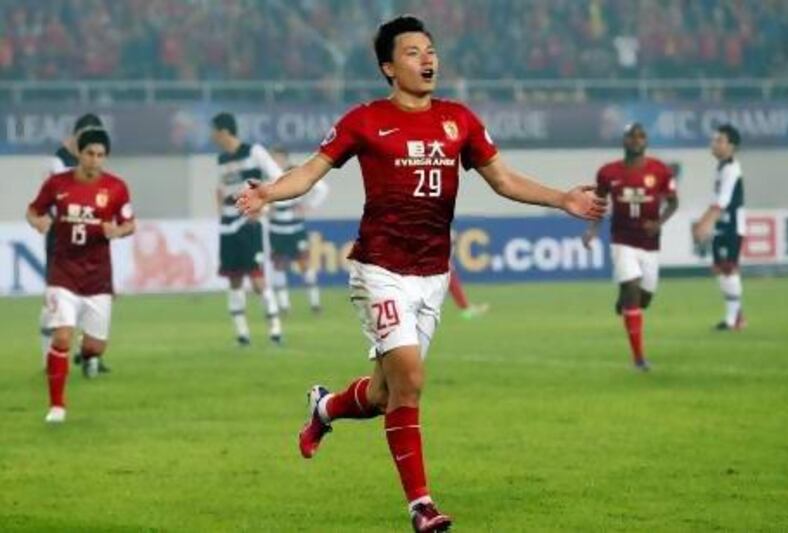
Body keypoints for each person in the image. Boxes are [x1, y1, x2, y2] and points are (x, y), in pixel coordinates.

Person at [237, 16, 605, 532]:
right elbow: (311, 170)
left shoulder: (459, 120)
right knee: (411, 380)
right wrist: (269, 192)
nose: (427, 59)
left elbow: (502, 178)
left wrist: (562, 198)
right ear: (389, 67)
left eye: (430, 50)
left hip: (432, 274)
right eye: (412, 52)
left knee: (388, 394)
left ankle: (325, 409)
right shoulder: (365, 120)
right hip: (379, 268)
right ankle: (421, 506)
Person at [26, 128, 135, 423]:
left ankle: (87, 357)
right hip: (63, 272)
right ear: (79, 154)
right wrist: (39, 221)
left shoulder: (116, 188)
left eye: (100, 155)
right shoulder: (57, 184)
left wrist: (118, 230)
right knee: (62, 336)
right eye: (90, 154)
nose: (95, 160)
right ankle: (57, 406)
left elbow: (130, 224)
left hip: (98, 278)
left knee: (94, 347)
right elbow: (33, 210)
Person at [582, 123, 679, 371]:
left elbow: (673, 202)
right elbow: (600, 202)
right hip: (622, 240)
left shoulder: (660, 170)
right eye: (631, 136)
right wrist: (592, 230)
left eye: (641, 136)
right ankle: (639, 359)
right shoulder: (607, 172)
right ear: (624, 141)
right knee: (633, 290)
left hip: (649, 243)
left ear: (646, 141)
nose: (636, 140)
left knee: (644, 298)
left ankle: (625, 300)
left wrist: (659, 223)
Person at [38, 113, 113, 375]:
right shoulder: (58, 161)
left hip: (90, 239)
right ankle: (48, 359)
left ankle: (89, 356)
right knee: (58, 300)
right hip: (62, 240)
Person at [211, 112, 284, 346]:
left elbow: (277, 178)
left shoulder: (255, 152)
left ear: (223, 132)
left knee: (256, 278)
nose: (212, 136)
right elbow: (221, 189)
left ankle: (275, 330)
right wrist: (221, 211)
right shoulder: (221, 160)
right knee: (233, 278)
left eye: (214, 131)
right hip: (228, 225)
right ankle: (242, 334)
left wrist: (264, 208)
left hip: (249, 223)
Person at [692, 124, 746, 331]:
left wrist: (705, 223)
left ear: (731, 146)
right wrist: (705, 220)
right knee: (721, 269)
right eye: (714, 140)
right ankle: (736, 315)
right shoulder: (722, 167)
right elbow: (717, 200)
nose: (714, 144)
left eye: (720, 140)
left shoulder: (732, 169)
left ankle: (733, 320)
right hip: (723, 225)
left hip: (732, 226)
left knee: (728, 268)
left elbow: (723, 201)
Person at [267, 146, 329, 315]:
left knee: (304, 264)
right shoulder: (267, 177)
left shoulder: (294, 172)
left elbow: (322, 188)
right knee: (278, 266)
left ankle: (315, 304)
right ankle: (284, 306)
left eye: (279, 158)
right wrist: (266, 209)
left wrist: (309, 206)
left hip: (295, 228)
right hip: (276, 230)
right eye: (274, 158)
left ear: (285, 158)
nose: (276, 162)